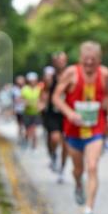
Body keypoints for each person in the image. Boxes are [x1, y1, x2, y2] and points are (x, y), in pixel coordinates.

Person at [53, 42, 108, 214]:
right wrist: (70, 113)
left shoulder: (104, 74)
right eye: (86, 60)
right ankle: (78, 184)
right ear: (80, 59)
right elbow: (56, 97)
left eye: (93, 60)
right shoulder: (71, 73)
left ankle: (88, 210)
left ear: (99, 60)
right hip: (73, 130)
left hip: (96, 128)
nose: (89, 64)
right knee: (78, 170)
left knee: (93, 166)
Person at [41, 52, 69, 180]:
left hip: (67, 113)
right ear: (54, 63)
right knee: (54, 138)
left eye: (62, 60)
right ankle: (53, 156)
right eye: (58, 61)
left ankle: (62, 169)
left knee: (66, 145)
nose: (60, 63)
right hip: (53, 113)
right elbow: (45, 92)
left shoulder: (71, 76)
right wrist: (42, 104)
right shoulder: (50, 78)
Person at [21, 72, 43, 151]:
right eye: (31, 80)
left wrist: (40, 105)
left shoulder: (39, 89)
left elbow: (41, 100)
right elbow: (22, 99)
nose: (32, 82)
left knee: (34, 129)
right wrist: (27, 103)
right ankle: (26, 141)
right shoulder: (25, 89)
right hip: (27, 112)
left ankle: (34, 146)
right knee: (27, 130)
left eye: (34, 80)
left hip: (36, 113)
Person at [12, 74, 26, 146]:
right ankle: (20, 138)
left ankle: (25, 138)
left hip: (26, 110)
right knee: (20, 125)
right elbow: (14, 100)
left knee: (26, 125)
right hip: (18, 110)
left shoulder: (26, 88)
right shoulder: (14, 89)